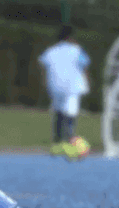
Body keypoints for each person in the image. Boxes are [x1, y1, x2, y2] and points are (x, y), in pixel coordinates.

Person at [38, 25, 90, 153]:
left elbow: (43, 65)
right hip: (72, 86)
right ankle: (70, 143)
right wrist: (86, 82)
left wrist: (45, 82)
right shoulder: (77, 50)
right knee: (70, 115)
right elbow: (84, 65)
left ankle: (57, 143)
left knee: (58, 113)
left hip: (55, 86)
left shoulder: (51, 50)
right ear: (71, 37)